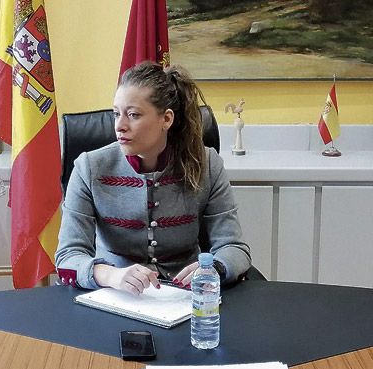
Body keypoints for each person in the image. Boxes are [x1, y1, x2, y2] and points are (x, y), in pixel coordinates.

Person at [56, 62, 251, 294]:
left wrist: (214, 268)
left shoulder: (206, 164)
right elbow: (68, 257)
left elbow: (234, 248)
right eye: (116, 114)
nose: (120, 126)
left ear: (166, 119)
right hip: (115, 294)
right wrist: (111, 275)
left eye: (133, 115)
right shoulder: (89, 167)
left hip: (186, 296)